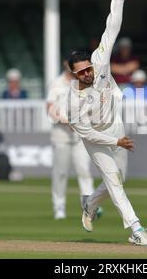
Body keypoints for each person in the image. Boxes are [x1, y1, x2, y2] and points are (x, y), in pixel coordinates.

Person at [66, 0, 147, 246]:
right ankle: (136, 230)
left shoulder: (99, 61)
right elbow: (88, 133)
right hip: (96, 140)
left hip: (115, 126)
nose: (87, 73)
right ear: (73, 73)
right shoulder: (73, 102)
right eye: (81, 71)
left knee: (120, 179)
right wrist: (116, 142)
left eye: (88, 68)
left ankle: (89, 204)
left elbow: (111, 28)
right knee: (114, 181)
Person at [46, 62, 98, 220]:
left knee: (84, 171)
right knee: (60, 172)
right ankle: (59, 207)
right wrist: (66, 121)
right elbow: (49, 108)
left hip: (80, 136)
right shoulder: (57, 83)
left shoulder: (83, 82)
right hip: (61, 135)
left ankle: (89, 206)